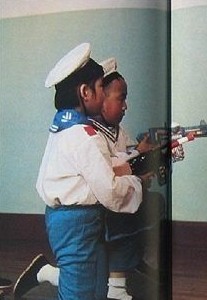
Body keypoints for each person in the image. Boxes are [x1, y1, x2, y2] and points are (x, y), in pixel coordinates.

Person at [13, 57, 162, 300]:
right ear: (86, 92)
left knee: (95, 288)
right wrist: (135, 181)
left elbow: (99, 169)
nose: (104, 95)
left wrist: (127, 168)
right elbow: (112, 194)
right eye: (102, 87)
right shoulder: (85, 136)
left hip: (76, 222)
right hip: (77, 225)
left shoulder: (65, 130)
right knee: (79, 294)